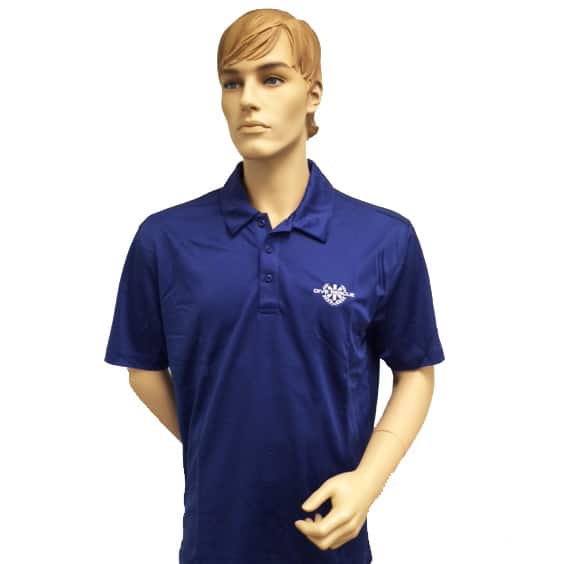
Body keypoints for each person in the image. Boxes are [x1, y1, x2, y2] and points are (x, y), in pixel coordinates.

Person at [104, 8, 445, 564]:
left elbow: (415, 370)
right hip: (215, 542)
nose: (248, 100)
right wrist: (219, 444)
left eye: (272, 78)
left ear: (313, 95)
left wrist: (367, 481)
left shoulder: (383, 238)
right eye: (231, 82)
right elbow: (142, 368)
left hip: (331, 543)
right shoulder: (165, 240)